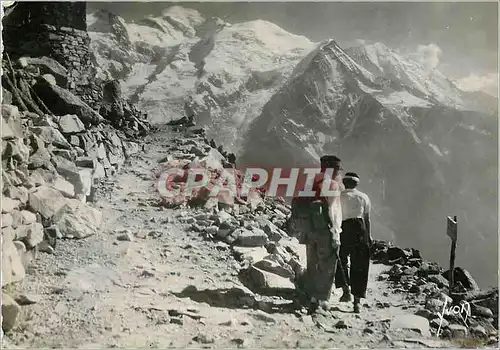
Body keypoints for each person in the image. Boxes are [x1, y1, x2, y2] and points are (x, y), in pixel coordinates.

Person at [290, 155, 343, 313]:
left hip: (308, 229)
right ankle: (319, 300)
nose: (338, 174)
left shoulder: (310, 181)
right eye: (337, 170)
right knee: (327, 264)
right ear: (332, 169)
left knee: (312, 263)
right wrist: (336, 233)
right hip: (324, 229)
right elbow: (333, 210)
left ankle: (310, 296)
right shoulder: (333, 184)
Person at [335, 172, 372, 313]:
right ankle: (357, 301)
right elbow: (367, 218)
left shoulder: (339, 196)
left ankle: (345, 290)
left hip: (343, 228)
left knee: (340, 259)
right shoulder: (363, 197)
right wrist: (369, 235)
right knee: (360, 263)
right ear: (357, 184)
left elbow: (335, 213)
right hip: (360, 228)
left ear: (344, 183)